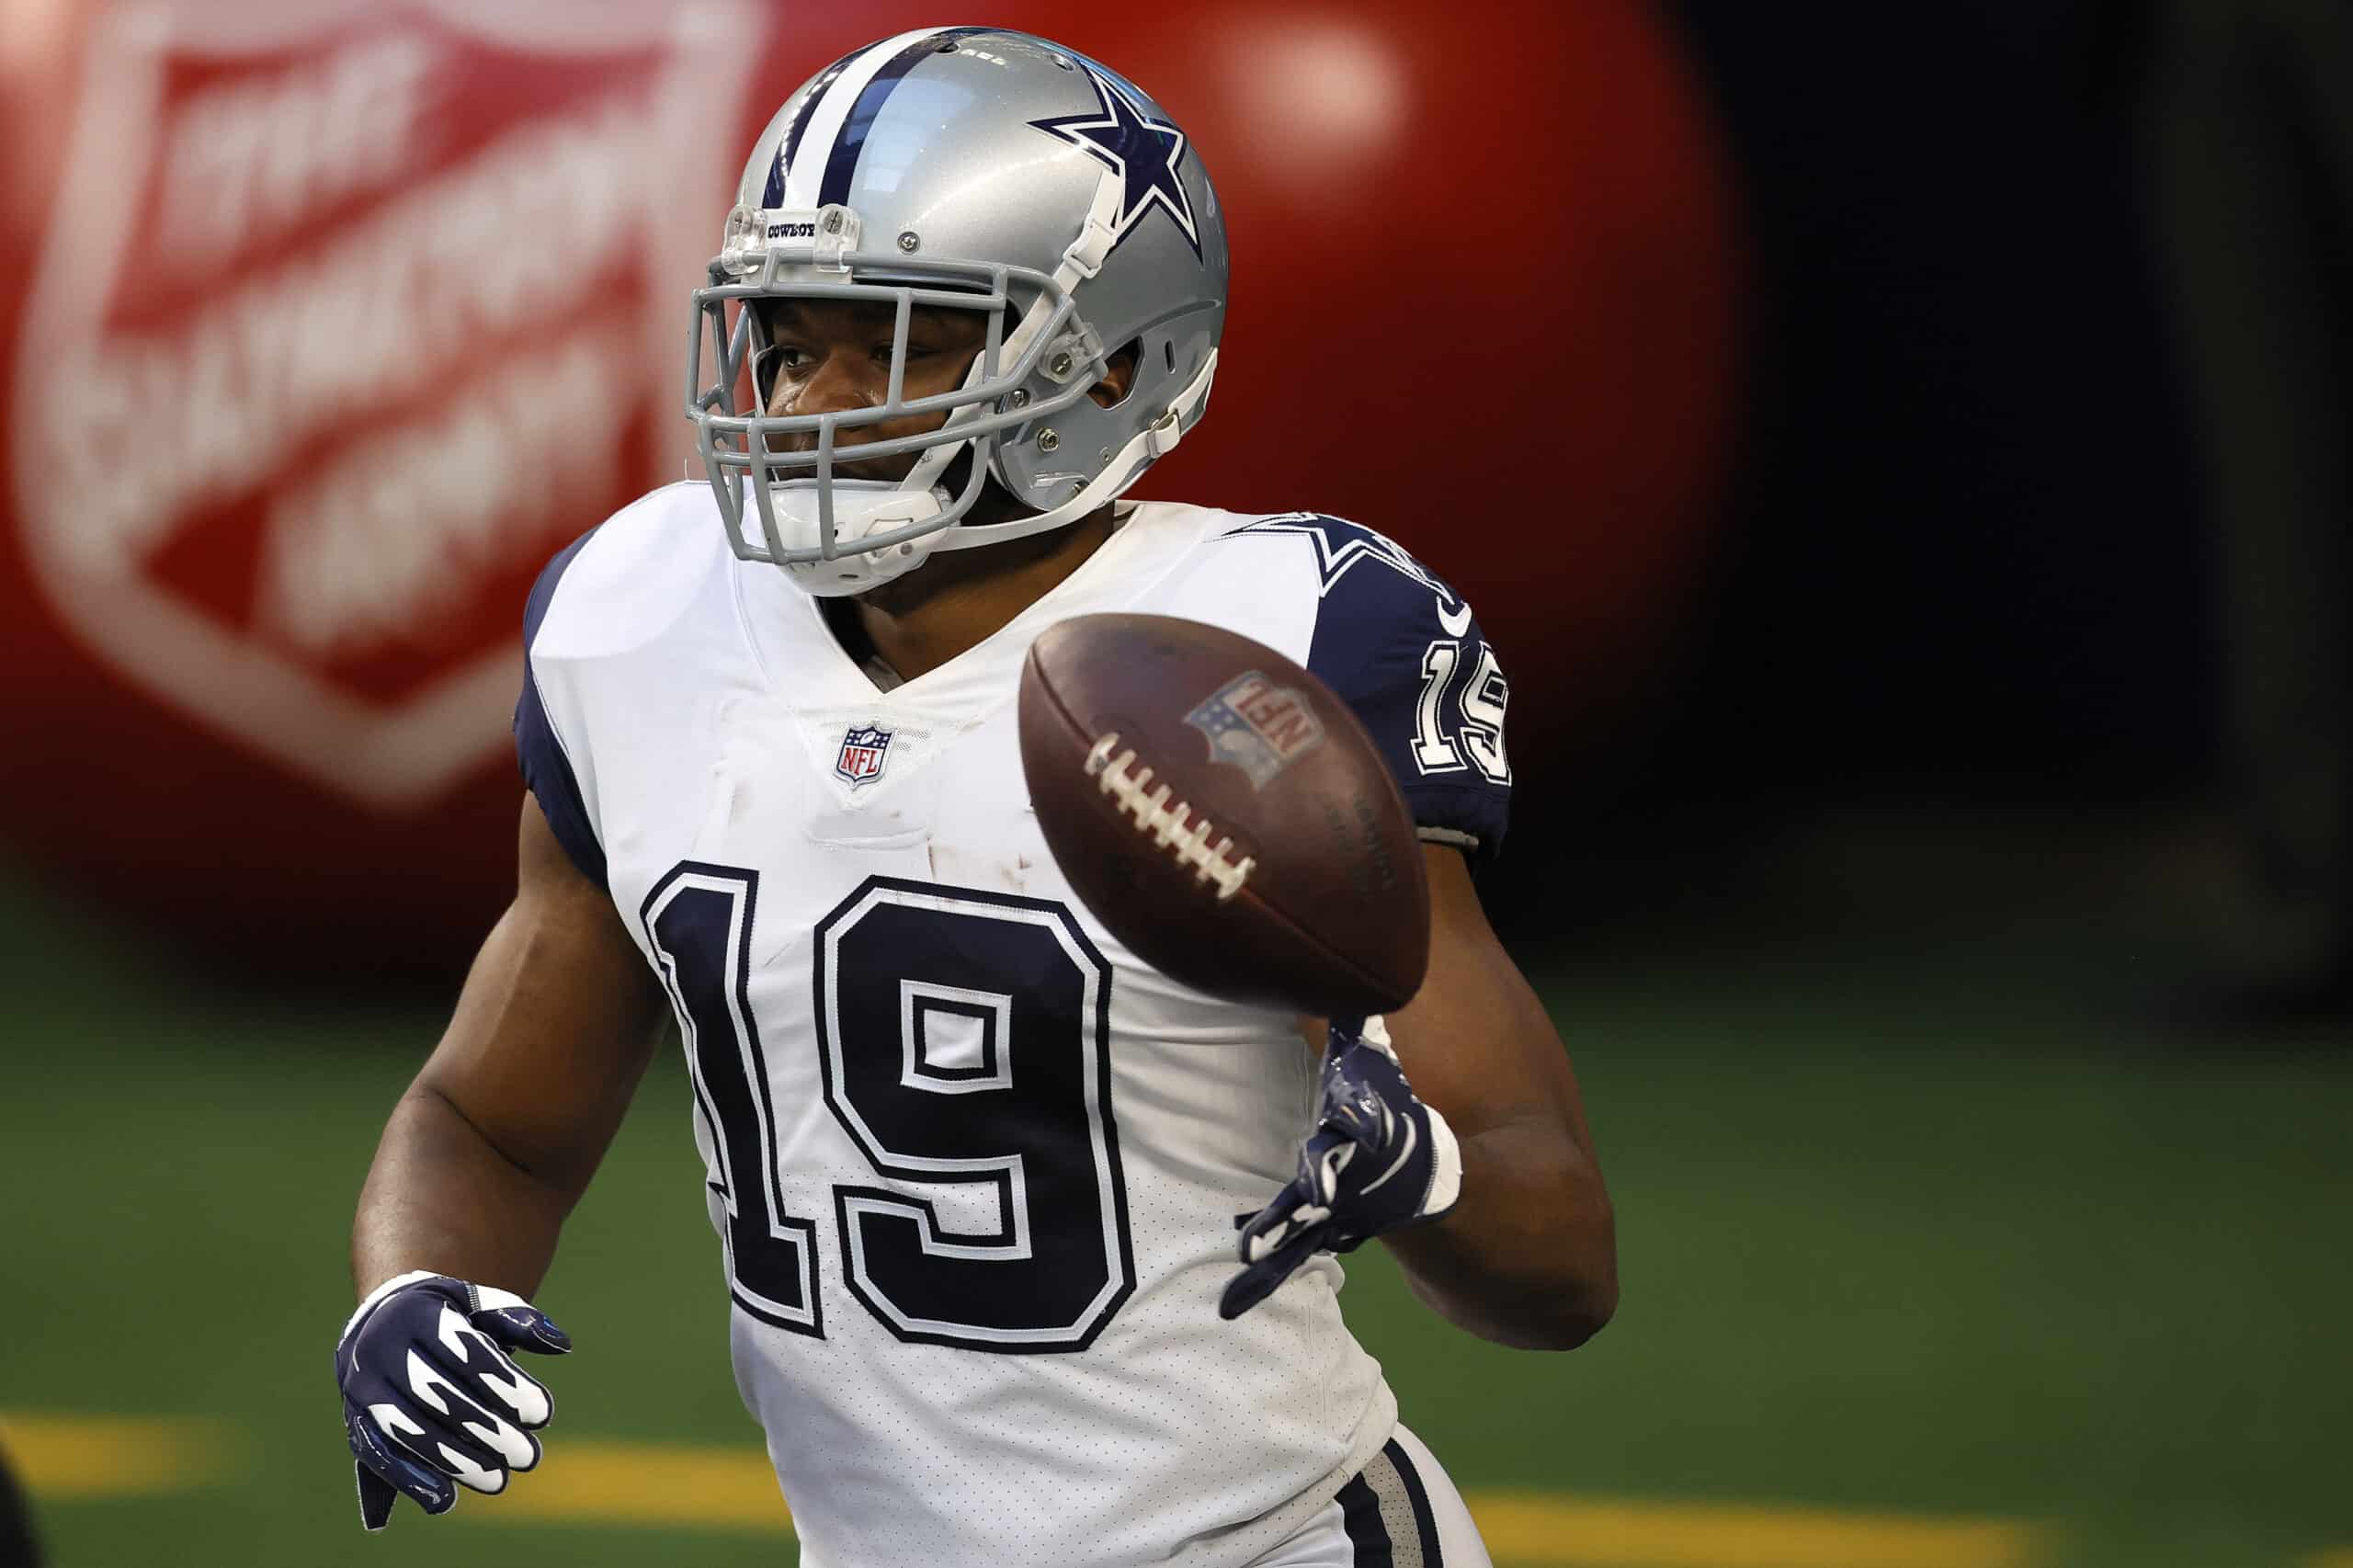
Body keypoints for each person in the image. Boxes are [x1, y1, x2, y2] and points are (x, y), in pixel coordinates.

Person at [335, 28, 1616, 1567]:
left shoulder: (1264, 650)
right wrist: (409, 1283)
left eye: (894, 338)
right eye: (788, 337)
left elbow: (1561, 1264)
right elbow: (489, 1119)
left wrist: (1425, 1173)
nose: (806, 394)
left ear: (1112, 358)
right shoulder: (644, 617)